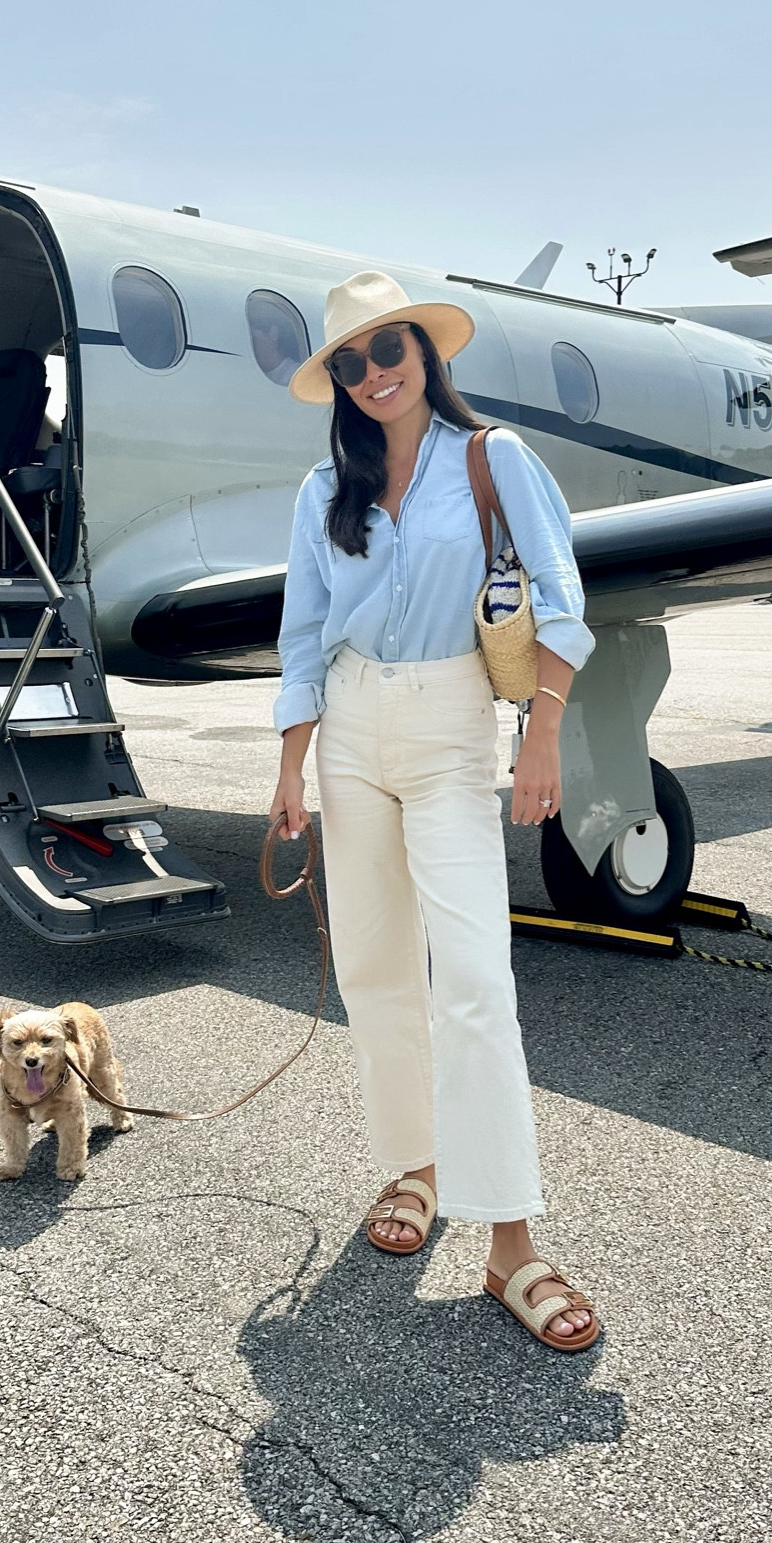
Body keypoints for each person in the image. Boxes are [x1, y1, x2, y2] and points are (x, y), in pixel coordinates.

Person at [270, 269, 602, 1351]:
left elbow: (560, 596)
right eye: (351, 362)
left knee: (472, 977)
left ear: (425, 353)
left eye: (389, 350)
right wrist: (290, 766)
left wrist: (542, 733)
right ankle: (410, 1165)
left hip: (458, 720)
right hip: (353, 727)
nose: (374, 375)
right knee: (372, 968)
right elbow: (302, 635)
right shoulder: (324, 494)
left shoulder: (493, 457)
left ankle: (510, 1239)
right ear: (337, 381)